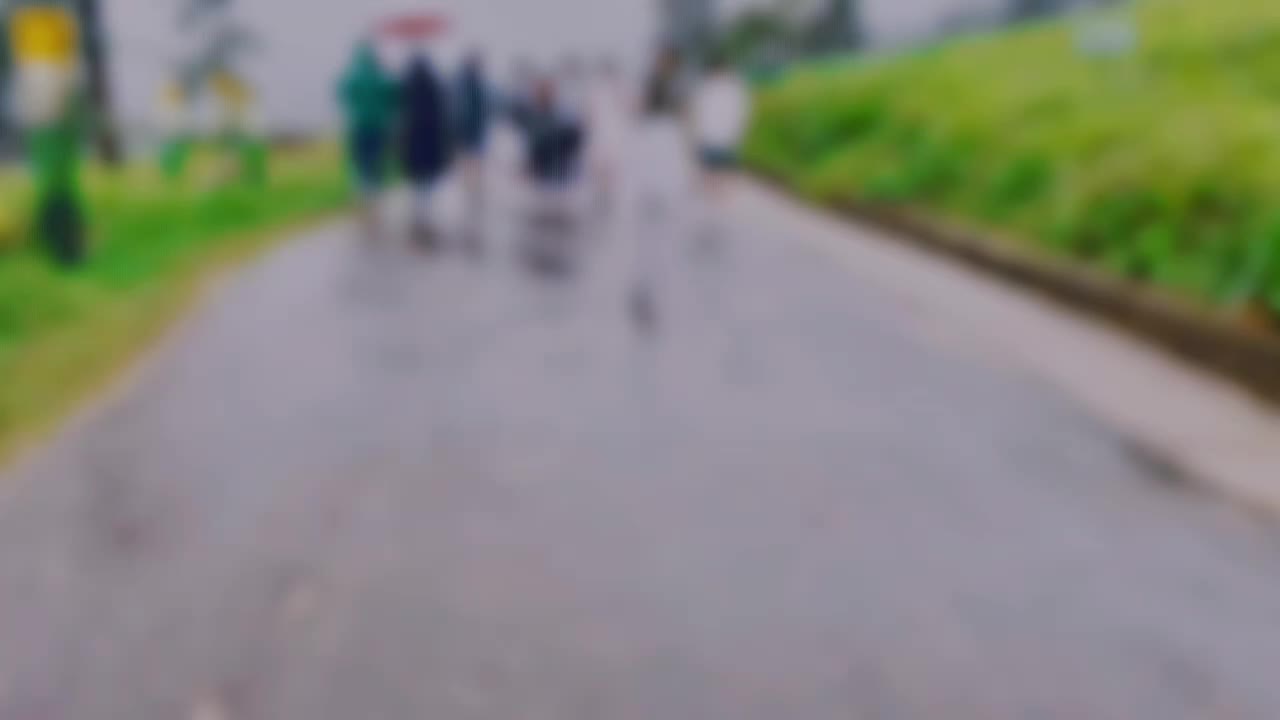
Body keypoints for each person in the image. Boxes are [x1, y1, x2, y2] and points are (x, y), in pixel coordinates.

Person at [627, 45, 690, 332]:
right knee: (653, 175)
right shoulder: (657, 82)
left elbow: (681, 112)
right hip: (656, 134)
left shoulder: (674, 84)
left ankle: (659, 193)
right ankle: (653, 192)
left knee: (660, 176)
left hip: (664, 134)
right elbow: (641, 108)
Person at [338, 43, 398, 241]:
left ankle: (361, 204)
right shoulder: (382, 77)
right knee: (377, 166)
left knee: (360, 166)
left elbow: (343, 95)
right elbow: (394, 98)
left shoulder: (353, 77)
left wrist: (356, 109)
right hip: (379, 128)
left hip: (359, 127)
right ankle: (375, 209)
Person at [690, 53, 750, 243]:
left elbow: (699, 114)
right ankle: (716, 219)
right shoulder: (734, 89)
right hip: (721, 141)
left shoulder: (713, 88)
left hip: (715, 140)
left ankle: (714, 219)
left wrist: (697, 137)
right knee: (717, 183)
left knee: (713, 182)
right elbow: (742, 116)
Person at [401, 52, 453, 248]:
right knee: (429, 177)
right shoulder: (436, 83)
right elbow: (443, 111)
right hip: (432, 136)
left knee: (416, 178)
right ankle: (426, 211)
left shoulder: (407, 84)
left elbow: (401, 111)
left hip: (414, 137)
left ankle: (418, 210)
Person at [454, 51, 492, 251]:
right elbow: (482, 107)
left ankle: (470, 191)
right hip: (472, 130)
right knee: (473, 164)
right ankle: (471, 192)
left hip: (468, 130)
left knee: (470, 164)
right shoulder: (474, 83)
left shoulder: (463, 81)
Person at [586, 57, 632, 212]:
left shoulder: (620, 87)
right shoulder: (596, 88)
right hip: (602, 133)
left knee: (612, 166)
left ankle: (609, 197)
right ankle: (601, 196)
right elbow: (589, 113)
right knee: (600, 166)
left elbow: (630, 108)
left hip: (615, 132)